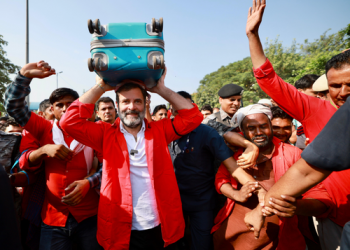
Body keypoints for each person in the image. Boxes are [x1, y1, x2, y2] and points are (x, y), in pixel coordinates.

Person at [59, 66, 205, 250]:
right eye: (125, 101)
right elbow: (68, 122)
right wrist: (101, 87)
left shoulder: (161, 130)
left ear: (145, 104)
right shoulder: (105, 134)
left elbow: (193, 116)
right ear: (117, 105)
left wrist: (160, 88)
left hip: (161, 225)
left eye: (137, 101)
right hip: (119, 227)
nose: (131, 107)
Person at [243, 1, 350, 248]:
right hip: (335, 217)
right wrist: (252, 35)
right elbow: (269, 79)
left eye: (349, 84)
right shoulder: (315, 109)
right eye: (335, 86)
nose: (343, 92)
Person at [4, 61, 101, 250]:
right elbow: (13, 106)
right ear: (52, 109)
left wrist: (89, 182)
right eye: (59, 105)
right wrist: (24, 76)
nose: (65, 109)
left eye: (70, 104)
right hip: (53, 217)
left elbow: (109, 167)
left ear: (78, 107)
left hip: (90, 215)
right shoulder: (42, 127)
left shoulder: (95, 130)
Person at [249, 97, 350, 249]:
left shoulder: (296, 154)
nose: (281, 132)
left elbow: (320, 197)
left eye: (286, 127)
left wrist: (297, 207)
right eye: (275, 127)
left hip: (291, 235)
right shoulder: (237, 155)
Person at [171, 92, 260, 250]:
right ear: (172, 111)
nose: (182, 113)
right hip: (172, 202)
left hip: (202, 201)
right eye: (178, 109)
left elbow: (232, 166)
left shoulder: (207, 133)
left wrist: (260, 191)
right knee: (174, 243)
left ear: (193, 108)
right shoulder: (166, 132)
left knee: (202, 245)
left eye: (186, 108)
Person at [213, 104, 309, 250]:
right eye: (251, 129)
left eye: (263, 126)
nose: (259, 132)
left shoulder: (292, 153)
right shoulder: (236, 153)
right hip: (235, 232)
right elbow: (221, 180)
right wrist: (236, 194)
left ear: (270, 126)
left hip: (279, 233)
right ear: (243, 132)